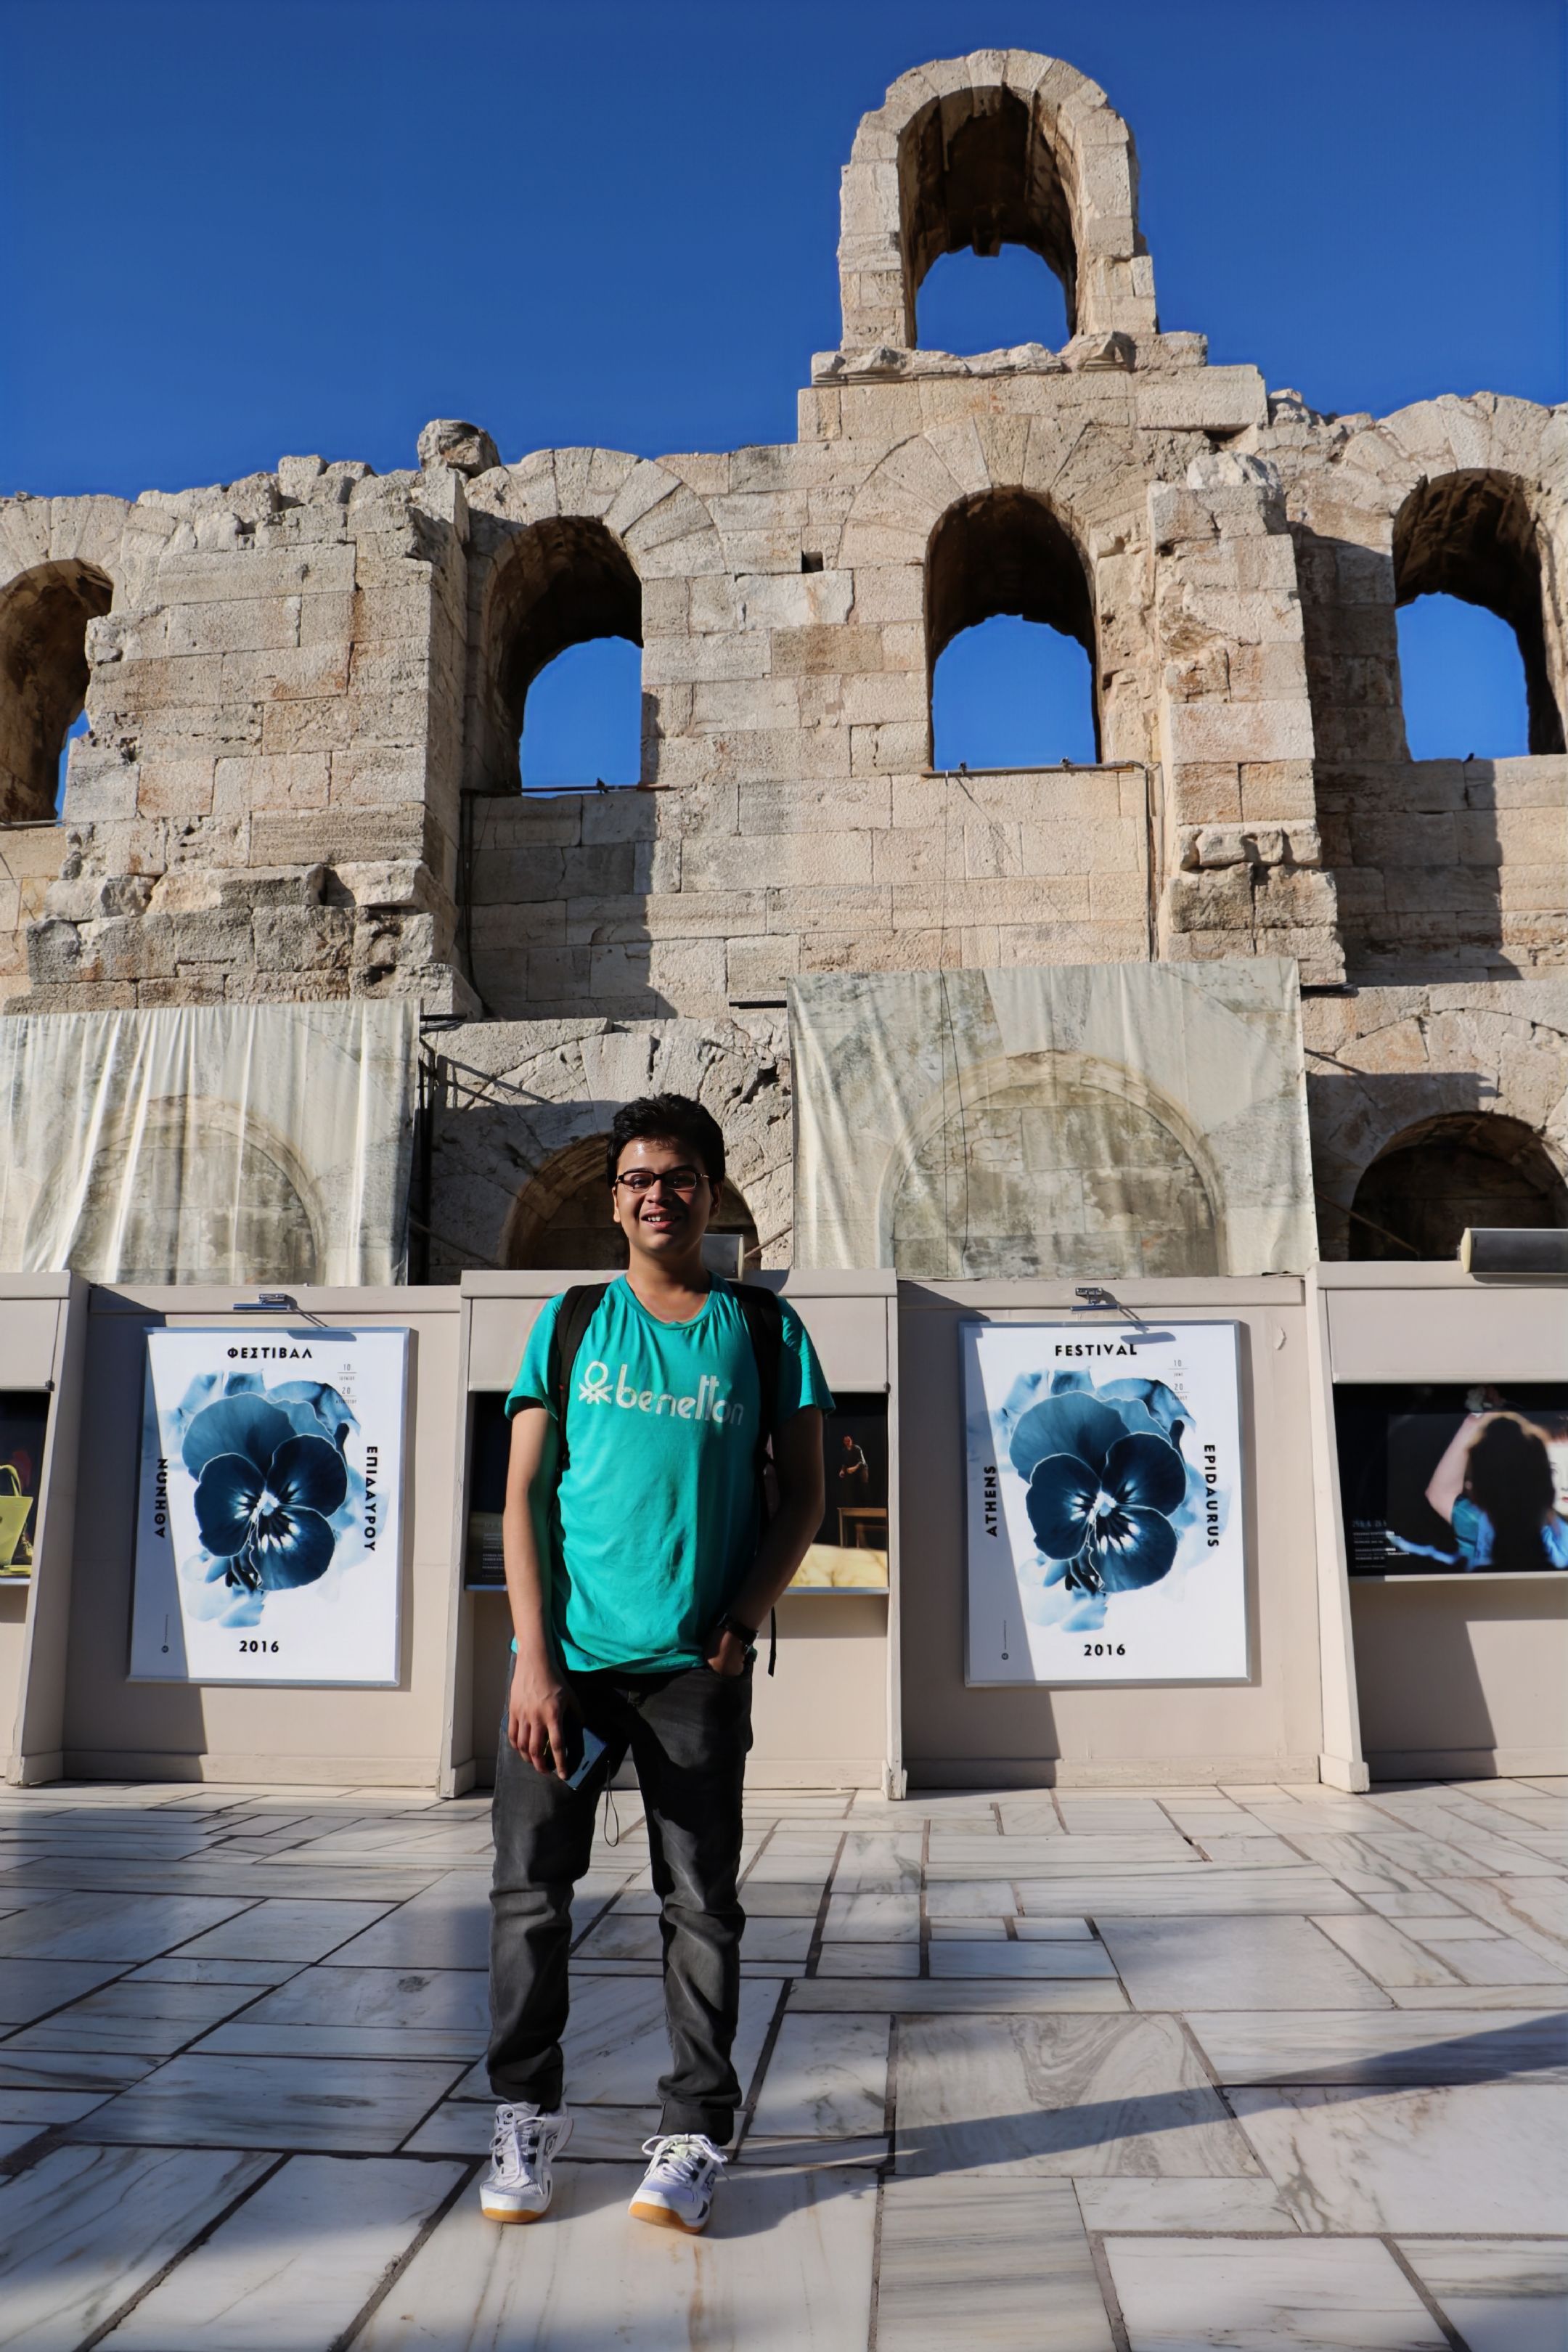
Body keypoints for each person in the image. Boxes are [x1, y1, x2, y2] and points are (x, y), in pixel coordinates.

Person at [481, 1093, 832, 2234]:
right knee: (531, 1900)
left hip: (692, 1673)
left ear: (712, 1192)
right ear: (615, 1199)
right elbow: (526, 1494)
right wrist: (532, 1661)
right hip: (569, 1669)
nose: (656, 1195)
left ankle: (692, 2131)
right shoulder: (574, 1322)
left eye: (678, 1176)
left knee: (701, 1906)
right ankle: (526, 2117)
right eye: (636, 1179)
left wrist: (743, 1618)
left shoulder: (768, 1333)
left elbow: (809, 1493)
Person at [1424, 1408, 1568, 1573]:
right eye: (1552, 1471)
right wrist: (1478, 1419)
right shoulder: (1504, 1528)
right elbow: (1441, 1495)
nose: (1566, 1485)